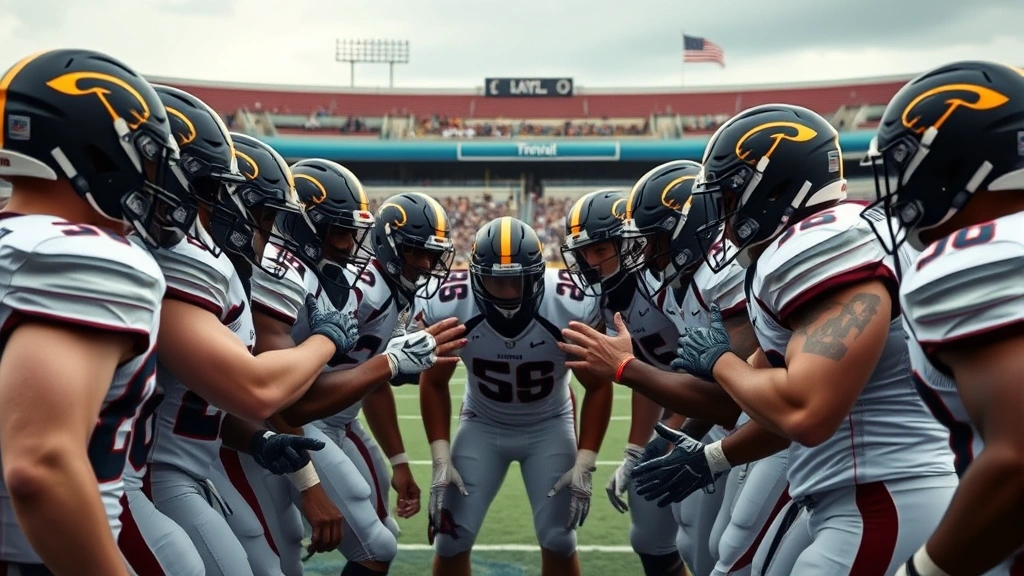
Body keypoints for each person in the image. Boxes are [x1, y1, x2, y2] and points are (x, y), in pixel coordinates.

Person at [655, 103, 958, 574]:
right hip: (852, 488)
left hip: (883, 493)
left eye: (730, 198)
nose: (723, 216)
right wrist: (712, 457)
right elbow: (765, 401)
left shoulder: (818, 243)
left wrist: (719, 362)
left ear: (774, 188)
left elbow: (805, 410)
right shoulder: (823, 237)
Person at [0, 47, 182, 576]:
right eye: (145, 158)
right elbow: (41, 465)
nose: (152, 179)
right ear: (101, 150)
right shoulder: (91, 256)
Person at [145, 130, 357, 576]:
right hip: (150, 472)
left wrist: (256, 438)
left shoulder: (215, 266)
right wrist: (329, 341)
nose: (267, 235)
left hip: (188, 465)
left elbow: (196, 400)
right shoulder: (181, 264)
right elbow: (257, 388)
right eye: (262, 218)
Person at [251, 180, 467, 575]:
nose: (424, 264)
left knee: (381, 531)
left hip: (338, 418)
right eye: (416, 252)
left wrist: (400, 460)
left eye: (431, 255)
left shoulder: (396, 291)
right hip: (304, 418)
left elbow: (373, 378)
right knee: (367, 544)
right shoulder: (361, 289)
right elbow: (287, 382)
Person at [860, 60, 1024, 576]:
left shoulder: (969, 258)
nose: (896, 189)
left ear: (950, 163)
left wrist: (925, 571)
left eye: (902, 165)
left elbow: (1018, 458)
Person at [417, 217, 613, 576]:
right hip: (481, 423)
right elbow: (433, 382)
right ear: (475, 277)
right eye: (495, 280)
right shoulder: (452, 304)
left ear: (537, 275)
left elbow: (599, 385)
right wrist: (440, 456)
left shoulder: (568, 304)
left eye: (517, 281)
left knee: (558, 539)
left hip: (549, 425)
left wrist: (585, 461)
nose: (507, 293)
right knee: (450, 539)